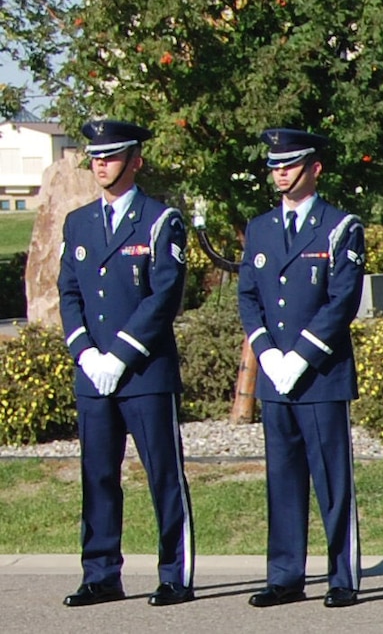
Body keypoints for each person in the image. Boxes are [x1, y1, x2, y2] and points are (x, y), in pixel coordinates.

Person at [55, 120, 195, 608]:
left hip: (143, 373)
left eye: (112, 157)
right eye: (96, 157)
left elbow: (163, 296)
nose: (101, 164)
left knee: (163, 475)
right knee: (97, 476)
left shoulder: (160, 221)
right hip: (94, 375)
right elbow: (69, 293)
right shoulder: (78, 223)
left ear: (135, 161)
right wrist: (87, 353)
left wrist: (120, 353)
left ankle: (175, 573)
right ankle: (100, 573)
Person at [238, 129, 366, 608]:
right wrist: (268, 352)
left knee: (332, 481)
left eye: (290, 165)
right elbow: (249, 297)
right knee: (283, 479)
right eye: (275, 166)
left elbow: (341, 300)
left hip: (320, 375)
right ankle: (285, 575)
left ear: (315, 169)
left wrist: (302, 355)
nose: (281, 173)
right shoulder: (261, 228)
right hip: (275, 375)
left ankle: (342, 576)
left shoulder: (339, 226)